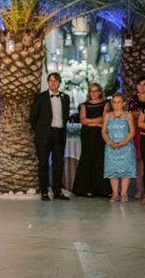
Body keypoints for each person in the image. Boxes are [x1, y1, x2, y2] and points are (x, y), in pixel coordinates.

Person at [30, 72, 70, 201]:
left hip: (59, 134)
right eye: (51, 80)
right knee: (43, 164)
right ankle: (44, 191)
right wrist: (40, 130)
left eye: (56, 81)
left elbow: (66, 117)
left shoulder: (65, 97)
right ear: (48, 82)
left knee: (58, 163)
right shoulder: (40, 97)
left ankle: (57, 191)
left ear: (59, 83)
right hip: (44, 135)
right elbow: (32, 118)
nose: (53, 83)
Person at [73, 83, 110, 197]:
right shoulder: (83, 105)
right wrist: (97, 122)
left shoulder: (106, 104)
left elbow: (105, 119)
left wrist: (91, 122)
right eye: (91, 91)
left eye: (96, 91)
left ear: (100, 92)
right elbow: (83, 120)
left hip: (100, 135)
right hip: (87, 135)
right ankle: (85, 189)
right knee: (87, 157)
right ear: (88, 93)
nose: (93, 93)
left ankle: (102, 190)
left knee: (100, 158)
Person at [102, 94, 136, 203]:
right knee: (113, 170)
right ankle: (115, 194)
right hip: (111, 147)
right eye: (114, 102)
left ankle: (124, 194)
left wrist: (123, 142)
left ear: (124, 103)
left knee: (125, 170)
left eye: (119, 102)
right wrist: (109, 142)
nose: (116, 104)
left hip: (126, 147)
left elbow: (132, 131)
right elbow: (103, 131)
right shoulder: (108, 115)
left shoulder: (128, 115)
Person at [128, 76, 145, 199]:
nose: (142, 86)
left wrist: (139, 115)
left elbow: (137, 114)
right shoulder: (133, 98)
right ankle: (139, 189)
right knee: (139, 161)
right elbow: (131, 115)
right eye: (139, 84)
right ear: (136, 86)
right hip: (137, 132)